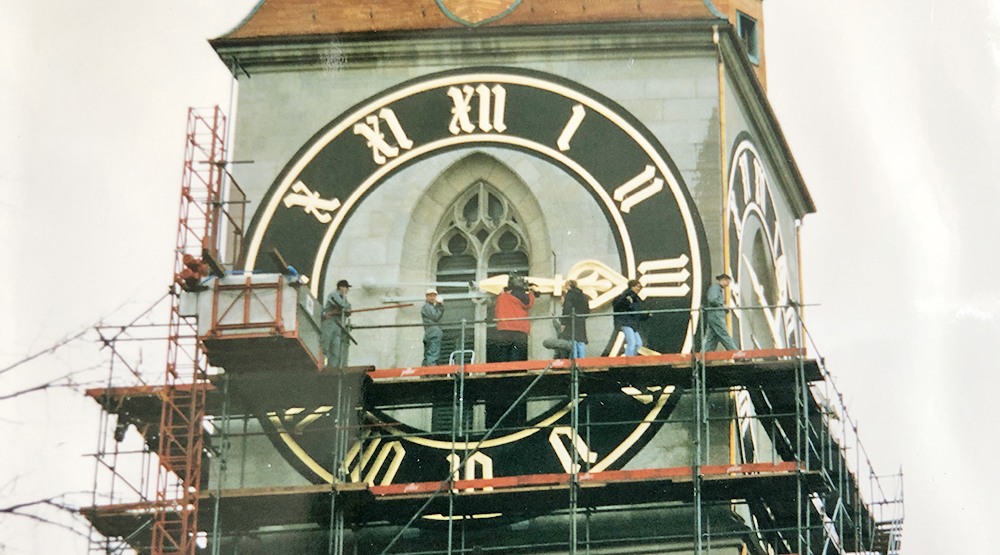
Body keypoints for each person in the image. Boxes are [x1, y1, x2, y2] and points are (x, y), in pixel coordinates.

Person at [491, 275, 535, 362]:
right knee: (517, 354)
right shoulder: (518, 294)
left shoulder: (501, 295)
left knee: (504, 352)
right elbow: (528, 303)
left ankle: (504, 372)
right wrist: (531, 293)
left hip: (503, 328)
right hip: (518, 328)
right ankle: (515, 373)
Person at [703, 273, 739, 352]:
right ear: (724, 280)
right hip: (716, 316)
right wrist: (722, 306)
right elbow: (712, 300)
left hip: (714, 315)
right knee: (724, 334)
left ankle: (703, 356)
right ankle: (736, 353)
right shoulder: (715, 288)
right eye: (728, 282)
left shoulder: (717, 289)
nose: (728, 284)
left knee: (711, 337)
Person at [613, 279, 649, 356]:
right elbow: (621, 306)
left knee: (638, 343)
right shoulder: (626, 296)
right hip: (625, 322)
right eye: (637, 286)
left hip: (632, 323)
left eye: (640, 287)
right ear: (632, 287)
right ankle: (629, 360)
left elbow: (639, 311)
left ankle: (631, 358)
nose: (638, 289)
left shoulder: (635, 298)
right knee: (632, 342)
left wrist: (647, 315)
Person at [321, 279, 352, 367]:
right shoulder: (334, 294)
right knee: (325, 345)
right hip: (329, 323)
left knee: (336, 348)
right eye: (346, 287)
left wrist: (346, 310)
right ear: (341, 287)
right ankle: (321, 365)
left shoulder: (344, 298)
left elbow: (348, 309)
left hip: (338, 325)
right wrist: (345, 309)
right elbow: (341, 305)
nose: (347, 290)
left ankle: (332, 367)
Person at [560, 280, 590, 359]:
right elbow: (587, 309)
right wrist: (583, 316)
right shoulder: (583, 296)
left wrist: (563, 322)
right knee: (581, 341)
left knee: (572, 340)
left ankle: (574, 360)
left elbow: (566, 309)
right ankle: (582, 359)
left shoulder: (569, 296)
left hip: (571, 319)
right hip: (581, 320)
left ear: (569, 286)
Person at [421, 288, 445, 366]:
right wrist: (440, 306)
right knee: (433, 353)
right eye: (430, 296)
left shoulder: (429, 307)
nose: (432, 298)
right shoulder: (427, 307)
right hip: (433, 332)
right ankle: (431, 372)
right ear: (426, 297)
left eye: (434, 296)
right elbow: (435, 316)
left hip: (429, 332)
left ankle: (425, 373)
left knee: (428, 353)